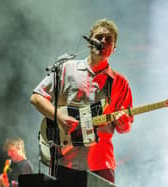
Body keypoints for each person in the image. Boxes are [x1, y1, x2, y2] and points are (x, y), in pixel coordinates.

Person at [30, 18, 133, 183]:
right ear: (89, 42)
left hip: (102, 161)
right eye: (99, 37)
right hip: (67, 158)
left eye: (109, 40)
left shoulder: (120, 83)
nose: (103, 42)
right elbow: (36, 97)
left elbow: (125, 127)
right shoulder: (67, 68)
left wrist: (123, 122)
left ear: (114, 48)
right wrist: (60, 118)